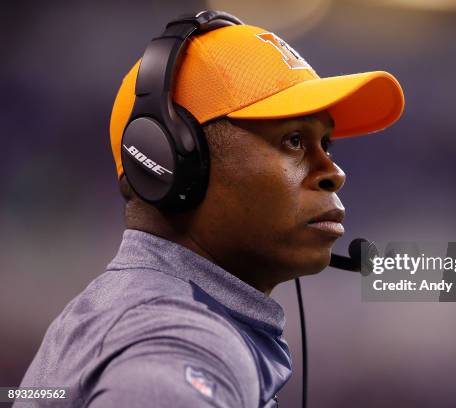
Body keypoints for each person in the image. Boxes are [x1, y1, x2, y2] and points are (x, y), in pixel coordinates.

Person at [16, 11, 404, 408]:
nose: (333, 173)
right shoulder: (177, 339)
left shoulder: (139, 312)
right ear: (173, 163)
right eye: (293, 141)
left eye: (327, 144)